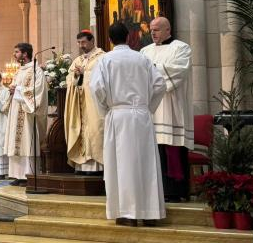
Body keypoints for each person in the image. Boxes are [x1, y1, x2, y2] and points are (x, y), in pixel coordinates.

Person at [89, 22, 166, 227]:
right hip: (141, 116)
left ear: (110, 39)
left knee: (122, 165)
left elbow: (97, 89)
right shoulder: (143, 58)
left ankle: (127, 213)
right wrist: (147, 107)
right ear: (129, 37)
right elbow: (160, 85)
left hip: (119, 115)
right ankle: (150, 213)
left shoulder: (106, 60)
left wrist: (106, 110)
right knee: (145, 162)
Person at [140, 16, 194, 202]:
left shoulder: (181, 48)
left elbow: (178, 70)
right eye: (151, 30)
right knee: (154, 150)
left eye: (156, 29)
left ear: (167, 30)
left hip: (172, 108)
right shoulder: (144, 51)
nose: (152, 33)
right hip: (151, 109)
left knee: (172, 149)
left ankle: (175, 190)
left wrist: (151, 70)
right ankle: (155, 190)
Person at [3, 42, 48, 186]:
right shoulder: (19, 71)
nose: (14, 55)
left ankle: (29, 175)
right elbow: (16, 88)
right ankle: (17, 175)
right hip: (16, 109)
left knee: (26, 141)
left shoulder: (36, 70)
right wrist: (11, 90)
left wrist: (17, 90)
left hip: (27, 111)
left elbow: (37, 90)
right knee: (16, 143)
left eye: (17, 52)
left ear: (25, 54)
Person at [64, 30, 106, 174]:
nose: (81, 45)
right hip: (80, 103)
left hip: (94, 104)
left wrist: (85, 74)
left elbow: (103, 78)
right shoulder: (78, 60)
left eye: (83, 42)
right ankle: (81, 165)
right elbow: (69, 79)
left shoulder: (102, 57)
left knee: (95, 131)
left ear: (92, 41)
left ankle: (97, 167)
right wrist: (75, 75)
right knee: (81, 130)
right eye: (79, 43)